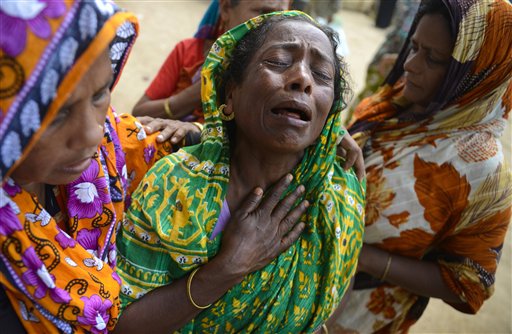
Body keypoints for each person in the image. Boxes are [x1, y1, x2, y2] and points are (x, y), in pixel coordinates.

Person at [0, 1, 301, 332]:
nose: (92, 132)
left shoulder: (117, 145)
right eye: (56, 113)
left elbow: (205, 143)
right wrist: (226, 269)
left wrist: (312, 136)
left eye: (100, 94)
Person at [115, 11, 366, 333]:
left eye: (321, 73)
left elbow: (340, 280)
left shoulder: (339, 193)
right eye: (277, 61)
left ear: (330, 112)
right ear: (230, 94)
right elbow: (121, 324)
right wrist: (225, 270)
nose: (302, 78)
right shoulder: (174, 184)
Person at [336, 0, 512, 333]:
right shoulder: (402, 99)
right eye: (414, 47)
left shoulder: (481, 168)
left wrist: (365, 257)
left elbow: (470, 283)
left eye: (434, 58)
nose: (411, 65)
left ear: (475, 74)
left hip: (355, 316)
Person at [131, 0, 290, 122]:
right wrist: (200, 90)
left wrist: (195, 130)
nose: (272, 23)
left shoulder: (284, 73)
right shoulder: (189, 52)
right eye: (263, 12)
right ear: (226, 8)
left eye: (280, 15)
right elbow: (140, 114)